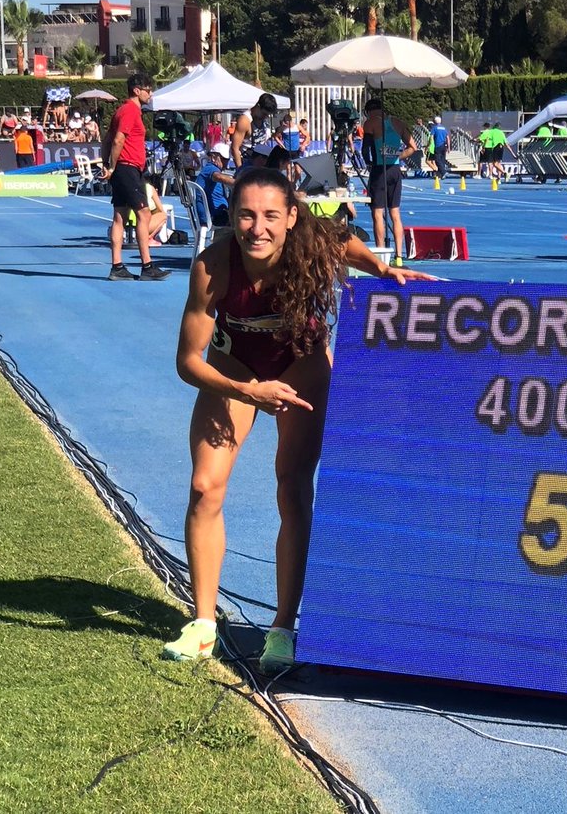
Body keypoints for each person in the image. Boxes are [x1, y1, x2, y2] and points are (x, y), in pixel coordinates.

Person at [161, 168, 438, 673]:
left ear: (292, 217)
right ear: (233, 217)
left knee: (292, 488)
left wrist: (383, 270)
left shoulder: (311, 241)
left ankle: (283, 627)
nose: (257, 228)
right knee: (205, 488)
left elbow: (347, 243)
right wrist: (247, 390)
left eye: (270, 215)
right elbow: (188, 362)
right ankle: (203, 626)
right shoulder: (213, 267)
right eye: (246, 215)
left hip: (301, 365)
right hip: (237, 371)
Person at [103, 72, 170, 281]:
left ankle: (117, 266)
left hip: (126, 169)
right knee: (144, 214)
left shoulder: (123, 111)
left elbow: (107, 139)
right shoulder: (130, 111)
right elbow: (117, 140)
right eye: (148, 90)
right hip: (128, 168)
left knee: (120, 216)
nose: (150, 94)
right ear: (136, 90)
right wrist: (112, 166)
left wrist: (108, 165)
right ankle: (147, 265)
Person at [361, 96, 417, 264]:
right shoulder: (397, 122)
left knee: (378, 213)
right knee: (395, 213)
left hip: (380, 169)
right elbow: (413, 147)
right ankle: (399, 256)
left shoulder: (370, 123)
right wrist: (398, 155)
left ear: (369, 111)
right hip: (395, 169)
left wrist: (368, 163)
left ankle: (381, 257)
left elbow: (366, 149)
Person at [231, 93, 279, 174]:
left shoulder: (263, 120)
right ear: (258, 106)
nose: (265, 117)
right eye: (264, 114)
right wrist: (241, 171)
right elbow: (235, 148)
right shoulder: (245, 121)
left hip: (261, 163)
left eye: (267, 115)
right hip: (247, 164)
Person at [195, 142, 235, 226]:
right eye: (223, 159)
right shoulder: (211, 169)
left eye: (227, 160)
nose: (226, 163)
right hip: (214, 215)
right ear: (214, 157)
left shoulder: (209, 169)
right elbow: (218, 177)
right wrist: (242, 183)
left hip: (215, 213)